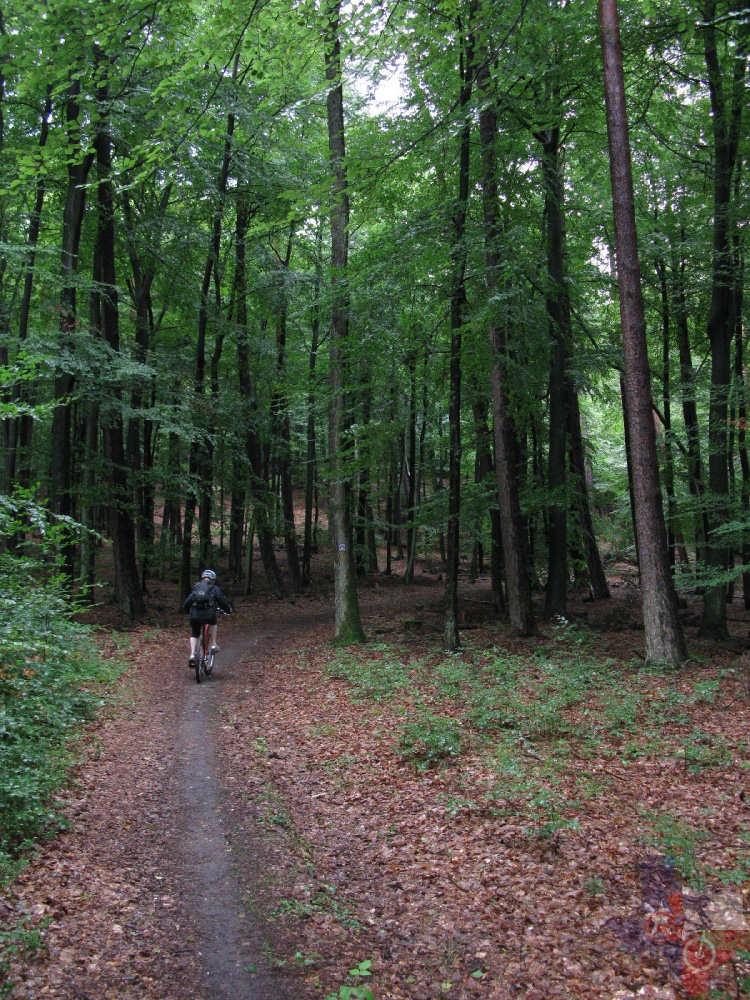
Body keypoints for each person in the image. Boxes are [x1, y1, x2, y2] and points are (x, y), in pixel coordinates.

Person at [182, 569, 233, 667]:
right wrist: (228, 609)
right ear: (212, 579)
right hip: (209, 615)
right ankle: (213, 644)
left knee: (194, 633)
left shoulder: (197, 588)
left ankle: (192, 655)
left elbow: (188, 601)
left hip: (195, 615)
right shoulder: (214, 588)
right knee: (213, 623)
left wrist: (186, 609)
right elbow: (223, 600)